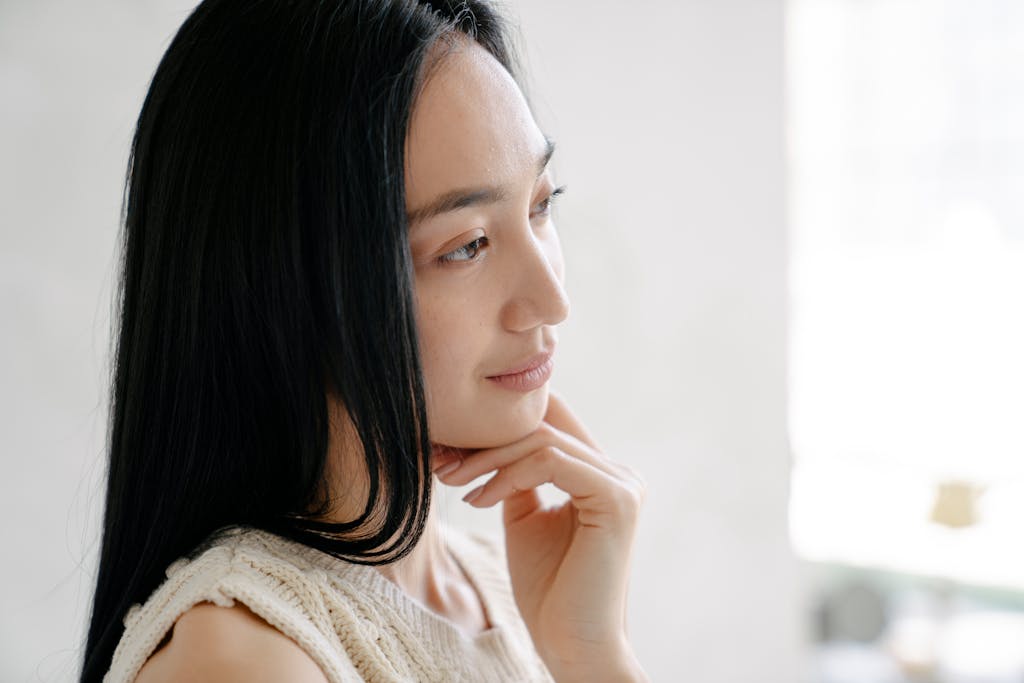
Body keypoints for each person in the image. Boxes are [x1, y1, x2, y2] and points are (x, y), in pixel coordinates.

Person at [80, 1, 648, 681]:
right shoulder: (247, 657)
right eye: (467, 245)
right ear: (290, 282)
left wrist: (593, 655)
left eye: (540, 205)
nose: (552, 301)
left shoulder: (499, 588)